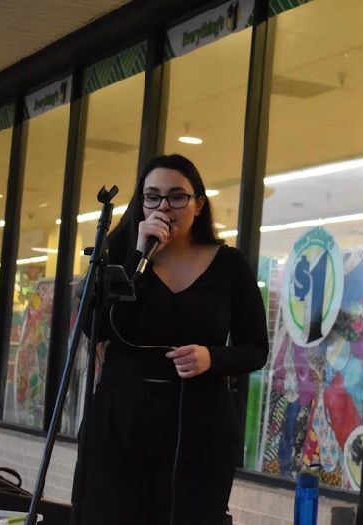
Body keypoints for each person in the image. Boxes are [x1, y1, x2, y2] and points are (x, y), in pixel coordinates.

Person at [72, 154, 269, 525]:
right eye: (152, 196)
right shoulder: (118, 256)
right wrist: (137, 256)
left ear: (198, 204)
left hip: (198, 419)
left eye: (177, 196)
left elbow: (256, 349)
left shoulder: (229, 265)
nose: (164, 206)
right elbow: (92, 328)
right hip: (120, 416)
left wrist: (213, 358)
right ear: (141, 204)